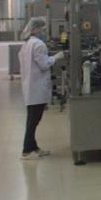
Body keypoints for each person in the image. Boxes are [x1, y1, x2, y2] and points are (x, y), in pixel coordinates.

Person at [18, 17, 63, 160]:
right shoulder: (38, 44)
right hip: (37, 87)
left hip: (30, 86)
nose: (44, 32)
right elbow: (44, 65)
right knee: (33, 120)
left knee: (33, 119)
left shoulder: (27, 44)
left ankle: (33, 147)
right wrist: (56, 57)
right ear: (36, 29)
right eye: (43, 29)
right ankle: (26, 150)